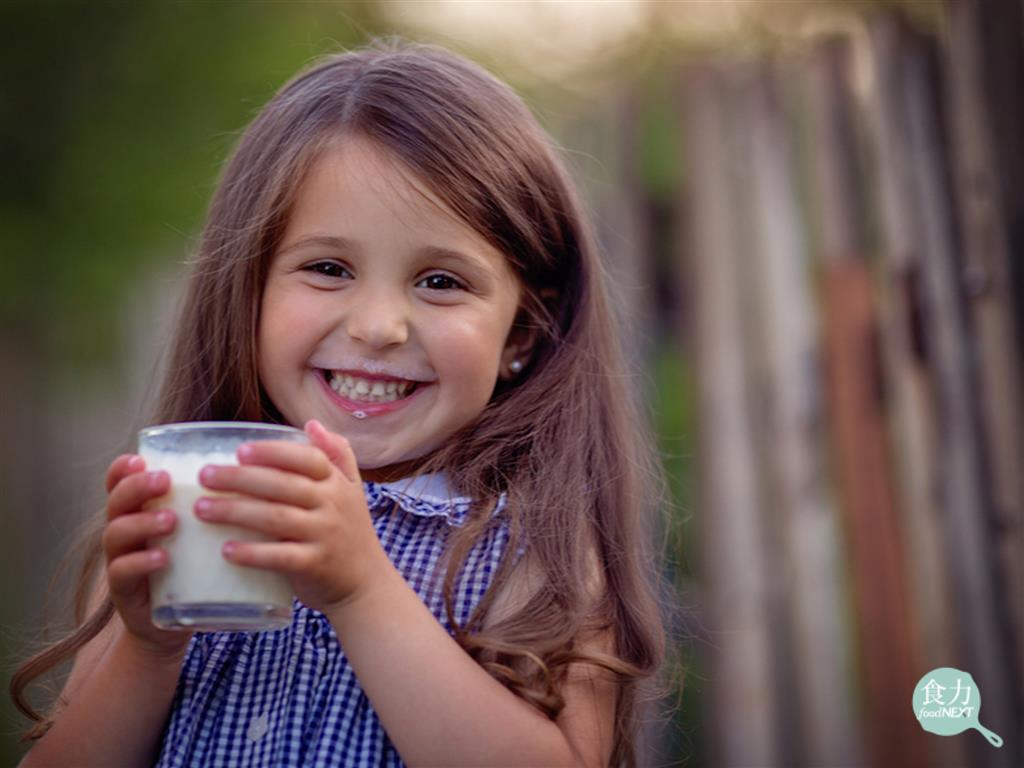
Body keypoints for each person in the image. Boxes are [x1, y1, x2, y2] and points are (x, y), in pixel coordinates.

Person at [11, 39, 668, 768]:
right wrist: (147, 647)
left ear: (522, 330)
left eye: (441, 281)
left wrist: (360, 591)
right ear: (249, 292)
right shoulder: (191, 513)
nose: (377, 327)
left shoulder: (530, 548)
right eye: (328, 268)